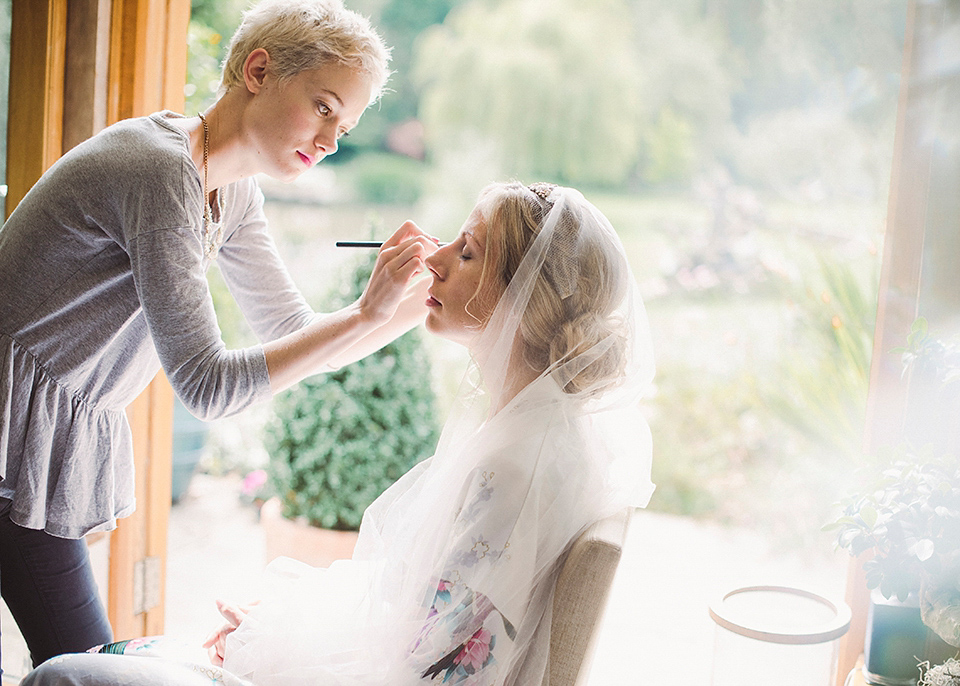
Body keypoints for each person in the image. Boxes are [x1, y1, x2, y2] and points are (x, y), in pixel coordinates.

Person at [20, 181, 656, 686]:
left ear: (524, 297)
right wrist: (283, 625)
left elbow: (434, 674)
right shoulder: (542, 432)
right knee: (102, 661)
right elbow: (430, 624)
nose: (432, 261)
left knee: (64, 675)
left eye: (465, 251)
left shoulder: (513, 469)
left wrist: (275, 652)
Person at [0, 0, 439, 672]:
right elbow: (208, 387)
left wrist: (424, 301)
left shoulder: (231, 192)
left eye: (344, 127)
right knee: (84, 668)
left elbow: (294, 335)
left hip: (44, 427)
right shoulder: (159, 170)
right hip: (12, 424)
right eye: (323, 107)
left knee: (82, 664)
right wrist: (364, 315)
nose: (329, 143)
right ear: (258, 70)